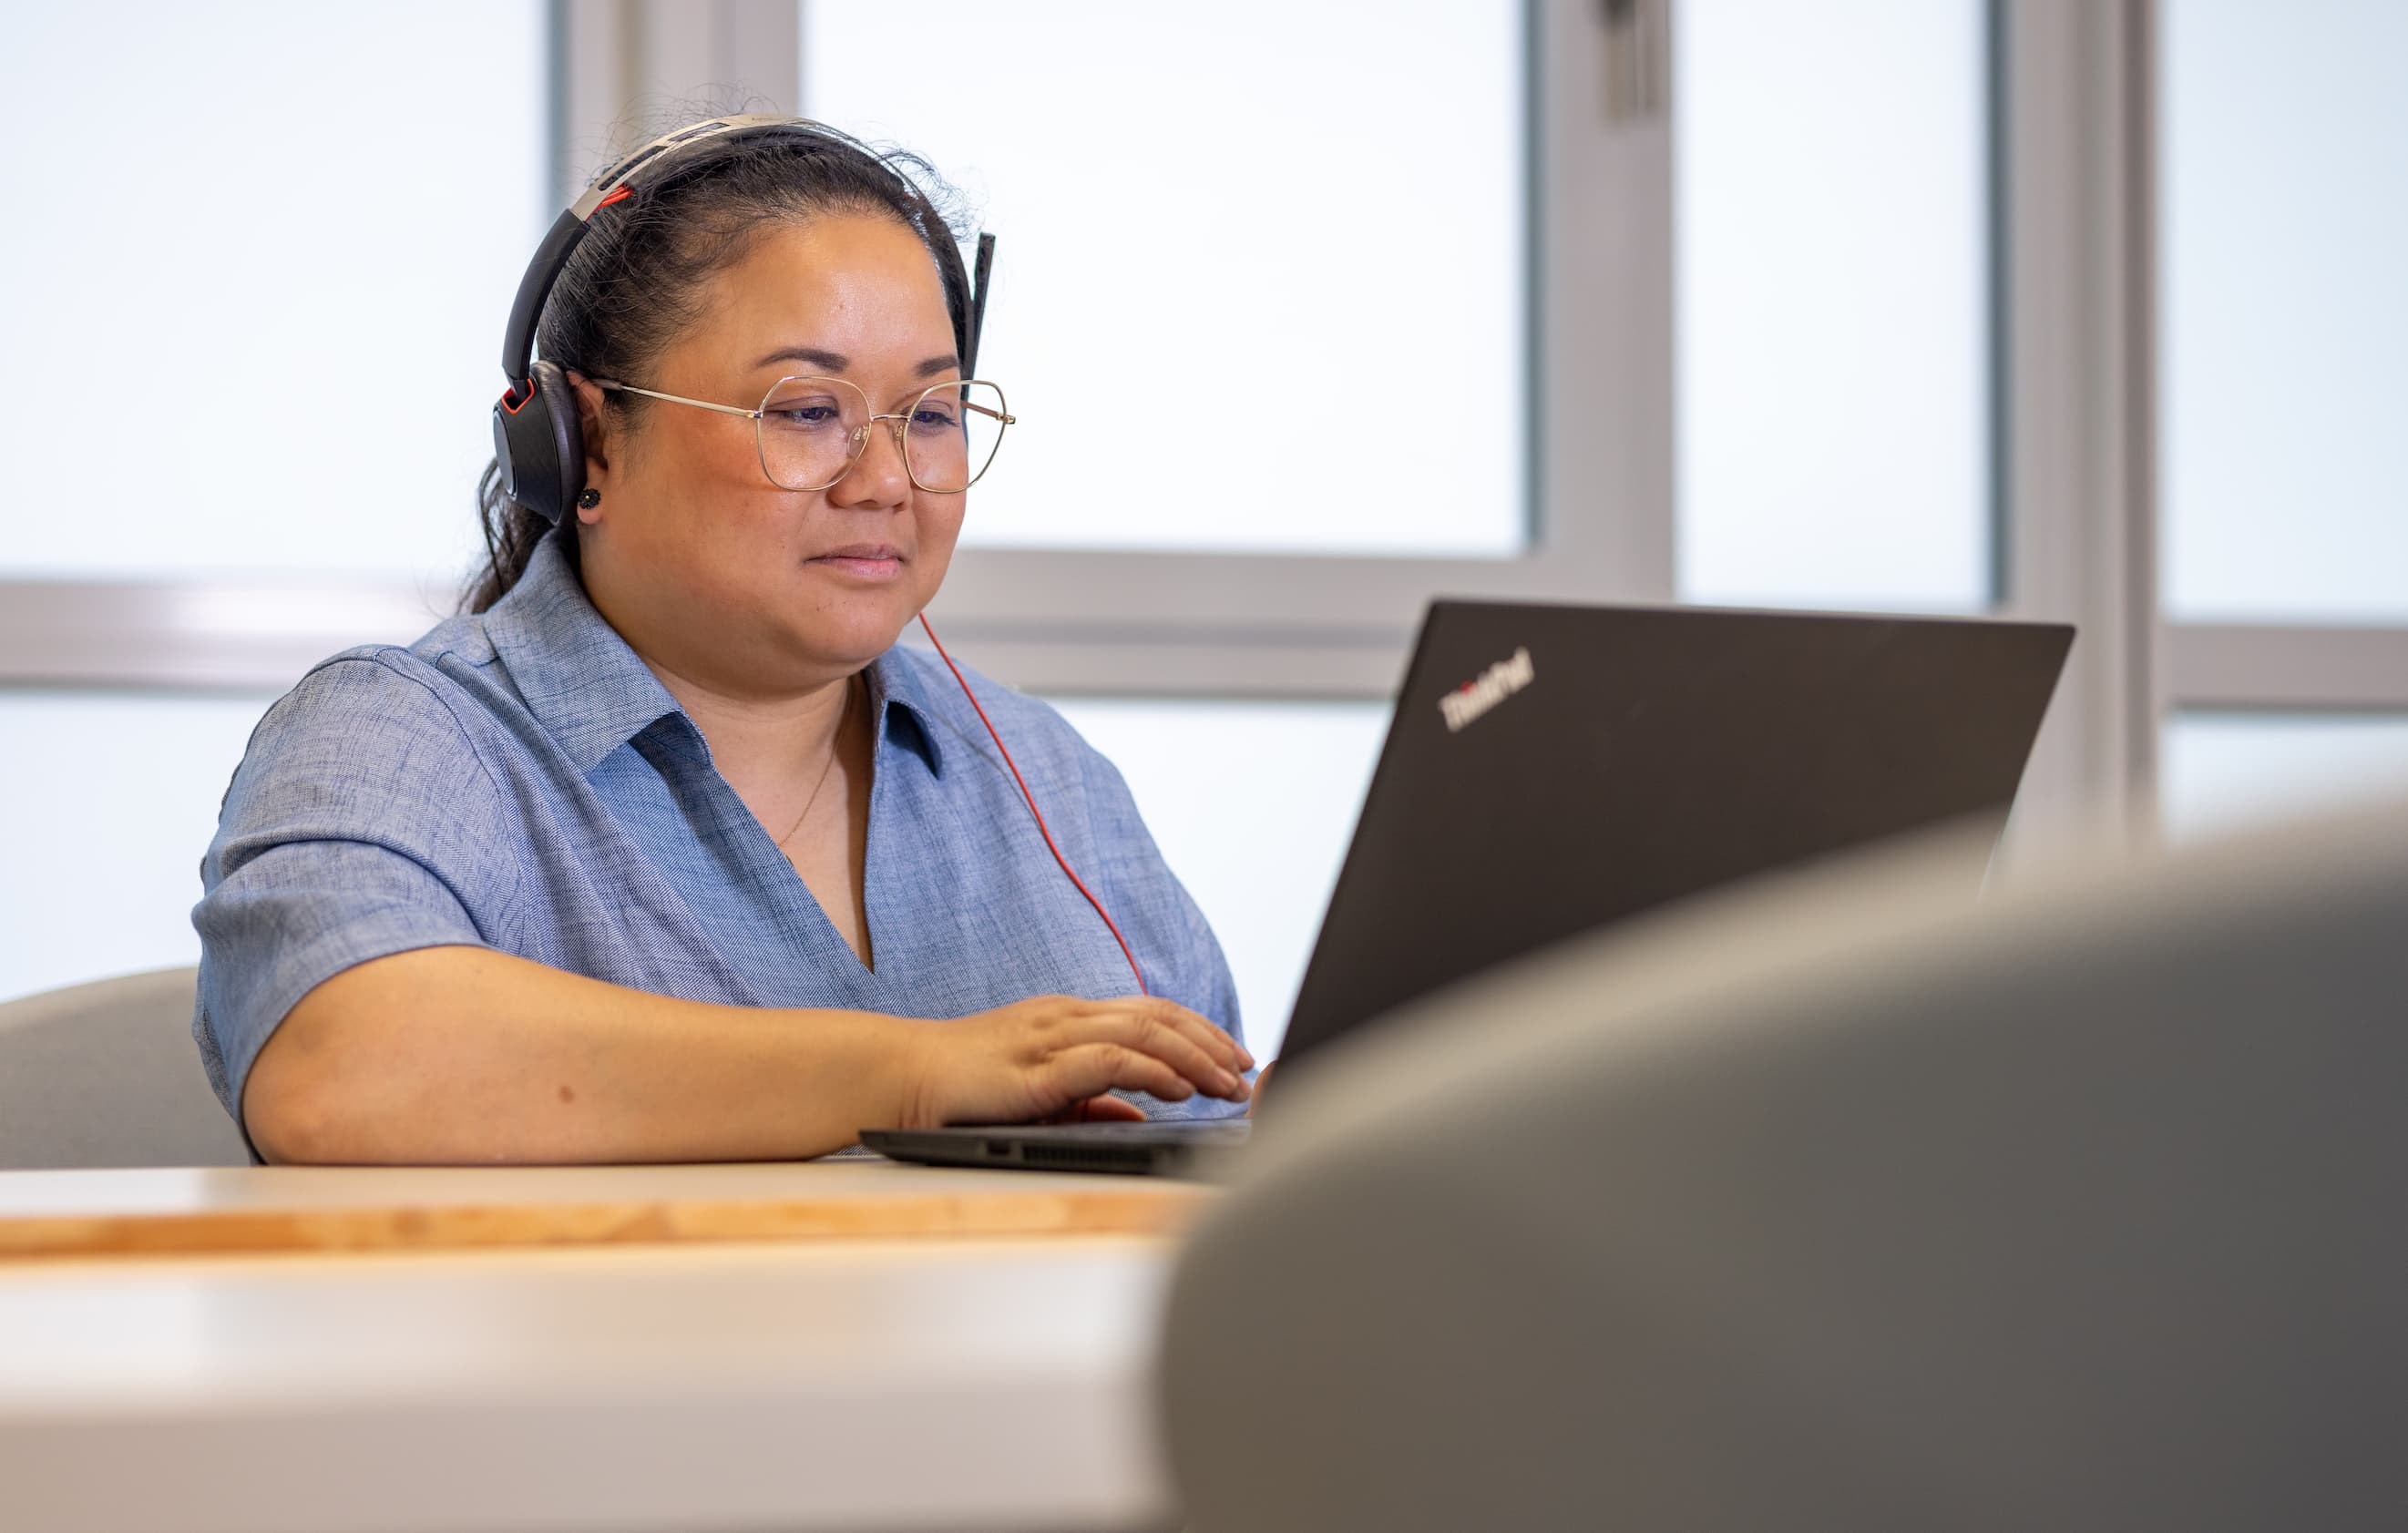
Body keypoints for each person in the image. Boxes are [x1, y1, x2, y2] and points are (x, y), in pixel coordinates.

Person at [192, 118, 1253, 1164]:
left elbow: (1224, 1148)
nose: (887, 481)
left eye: (931, 414)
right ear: (586, 442)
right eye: (805, 411)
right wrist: (912, 1075)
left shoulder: (1046, 775)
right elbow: (337, 1070)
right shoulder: (409, 736)